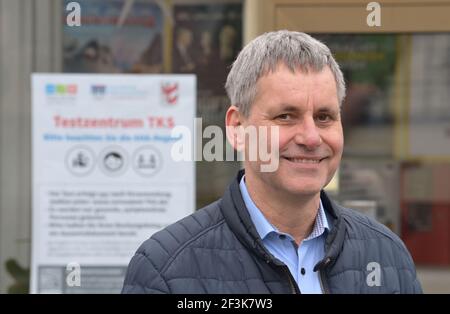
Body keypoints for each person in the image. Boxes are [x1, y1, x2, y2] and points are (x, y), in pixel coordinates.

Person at [122, 30, 422, 294]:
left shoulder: (387, 255)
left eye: (324, 117)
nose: (311, 137)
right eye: (285, 116)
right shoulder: (166, 269)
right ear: (238, 128)